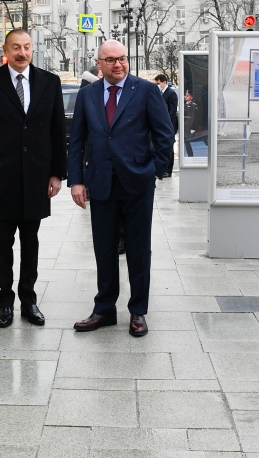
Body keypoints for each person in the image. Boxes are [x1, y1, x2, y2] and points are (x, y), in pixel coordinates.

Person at [68, 39, 173, 337]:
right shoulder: (87, 95)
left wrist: (153, 170)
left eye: (122, 59)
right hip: (100, 182)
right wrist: (76, 180)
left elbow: (164, 135)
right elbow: (77, 141)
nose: (118, 64)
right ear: (99, 64)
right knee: (104, 248)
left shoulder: (146, 90)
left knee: (139, 249)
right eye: (111, 60)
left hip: (137, 182)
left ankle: (137, 310)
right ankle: (104, 309)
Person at [0, 29, 67, 328]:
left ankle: (29, 300)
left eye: (26, 47)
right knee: (1, 243)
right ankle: (6, 301)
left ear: (32, 48)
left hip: (36, 178)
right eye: (16, 48)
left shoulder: (50, 82)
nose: (22, 53)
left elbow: (57, 130)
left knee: (31, 242)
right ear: (5, 50)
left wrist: (56, 173)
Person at [154, 73, 179, 178]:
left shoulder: (171, 93)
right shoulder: (161, 93)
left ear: (164, 82)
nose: (157, 85)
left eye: (159, 83)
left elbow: (172, 111)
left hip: (169, 125)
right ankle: (163, 168)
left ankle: (168, 170)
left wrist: (167, 124)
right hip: (162, 125)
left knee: (169, 147)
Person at [183, 90, 197, 157]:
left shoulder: (193, 106)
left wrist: (193, 127)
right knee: (186, 142)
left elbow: (193, 117)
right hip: (184, 126)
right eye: (185, 95)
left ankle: (190, 155)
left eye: (187, 95)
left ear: (191, 97)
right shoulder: (183, 105)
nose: (186, 97)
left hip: (188, 126)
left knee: (187, 141)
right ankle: (189, 155)